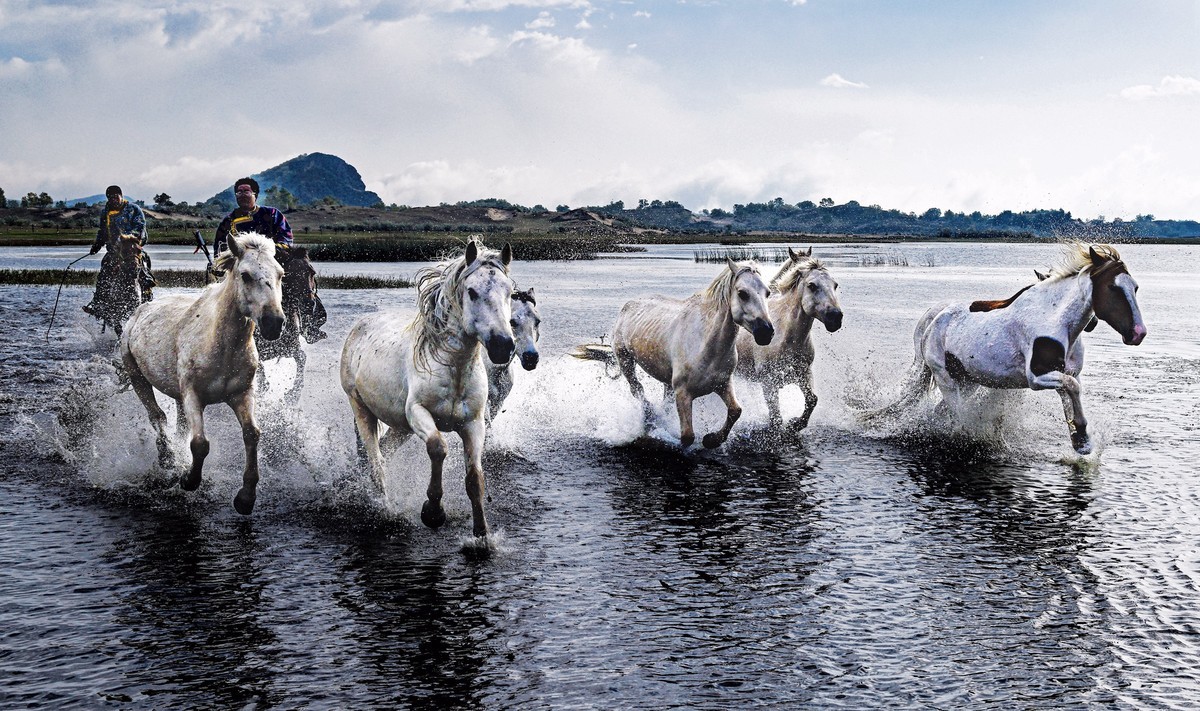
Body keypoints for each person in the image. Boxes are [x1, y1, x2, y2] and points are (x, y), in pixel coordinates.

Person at [214, 177, 327, 342]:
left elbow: (286, 239)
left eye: (246, 191)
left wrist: (268, 251)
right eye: (238, 192)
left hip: (274, 260)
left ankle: (309, 322)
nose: (242, 194)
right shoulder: (228, 221)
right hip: (244, 266)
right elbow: (221, 249)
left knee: (300, 266)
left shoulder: (272, 214)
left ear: (255, 194)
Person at [83, 185, 154, 316]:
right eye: (111, 198)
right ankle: (99, 303)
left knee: (142, 268)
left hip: (131, 248)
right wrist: (97, 245)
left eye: (116, 197)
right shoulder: (106, 212)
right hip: (114, 251)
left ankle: (147, 297)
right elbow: (103, 232)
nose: (114, 200)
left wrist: (126, 238)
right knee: (104, 272)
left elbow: (140, 227)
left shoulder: (133, 209)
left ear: (121, 196)